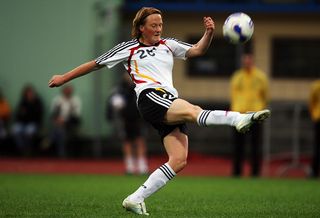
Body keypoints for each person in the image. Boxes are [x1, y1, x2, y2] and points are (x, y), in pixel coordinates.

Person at [48, 7, 270, 215]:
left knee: (179, 159)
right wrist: (63, 78)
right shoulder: (129, 48)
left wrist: (209, 33)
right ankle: (239, 119)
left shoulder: (168, 44)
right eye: (153, 25)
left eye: (160, 24)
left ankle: (135, 198)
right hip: (150, 97)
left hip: (168, 100)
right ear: (141, 28)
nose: (158, 29)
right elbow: (94, 63)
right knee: (194, 110)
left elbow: (196, 50)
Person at [230, 53, 269, 177]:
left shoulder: (261, 77)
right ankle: (237, 172)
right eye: (245, 61)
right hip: (239, 115)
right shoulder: (237, 76)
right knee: (238, 145)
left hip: (255, 115)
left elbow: (265, 95)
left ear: (252, 61)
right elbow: (233, 94)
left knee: (255, 145)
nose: (247, 63)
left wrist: (260, 110)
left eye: (249, 61)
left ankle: (255, 173)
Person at [107, 73, 148, 175]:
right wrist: (111, 114)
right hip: (125, 119)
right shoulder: (119, 89)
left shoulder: (140, 87)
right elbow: (112, 103)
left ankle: (142, 167)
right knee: (127, 142)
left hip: (139, 119)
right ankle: (130, 167)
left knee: (140, 140)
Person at [49, 85, 82, 158]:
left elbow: (76, 115)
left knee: (59, 131)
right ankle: (60, 152)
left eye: (69, 90)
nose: (67, 92)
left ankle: (50, 140)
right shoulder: (57, 100)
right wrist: (57, 120)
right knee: (59, 130)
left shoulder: (75, 100)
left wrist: (64, 121)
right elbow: (53, 114)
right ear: (63, 91)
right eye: (66, 90)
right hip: (58, 123)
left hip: (70, 123)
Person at [12, 85, 44, 155]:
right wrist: (25, 114)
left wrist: (27, 113)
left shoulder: (37, 102)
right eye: (28, 93)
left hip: (33, 123)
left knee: (29, 132)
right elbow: (18, 115)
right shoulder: (23, 102)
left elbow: (37, 115)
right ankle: (21, 149)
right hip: (22, 123)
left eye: (31, 93)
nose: (30, 94)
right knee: (16, 130)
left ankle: (28, 149)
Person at [309, 79, 320, 178]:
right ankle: (314, 172)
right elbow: (312, 101)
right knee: (317, 146)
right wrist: (314, 115)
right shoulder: (316, 86)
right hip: (319, 118)